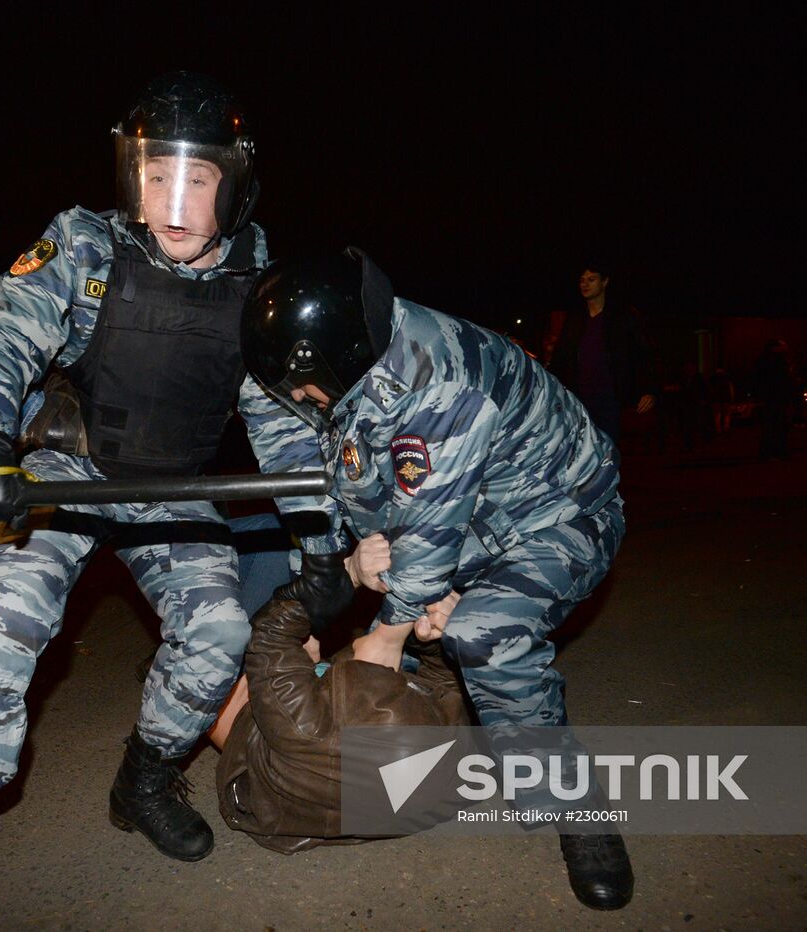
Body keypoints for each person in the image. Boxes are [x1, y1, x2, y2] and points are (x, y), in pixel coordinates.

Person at [0, 74, 350, 931]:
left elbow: (283, 425)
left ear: (236, 184)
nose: (172, 204)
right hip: (64, 477)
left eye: (197, 179)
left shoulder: (258, 287)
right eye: (154, 175)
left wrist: (319, 541)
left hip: (168, 493)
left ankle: (142, 781)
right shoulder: (85, 246)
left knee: (217, 635)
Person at [240, 248, 634, 910]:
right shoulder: (307, 364)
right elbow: (307, 465)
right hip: (462, 515)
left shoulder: (439, 380)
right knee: (415, 602)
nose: (301, 400)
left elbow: (427, 524)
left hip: (556, 514)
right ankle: (445, 727)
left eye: (307, 388)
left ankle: (577, 805)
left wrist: (388, 633)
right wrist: (333, 565)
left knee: (484, 630)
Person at [215, 595, 469, 854]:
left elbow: (269, 632)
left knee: (222, 662)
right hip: (340, 789)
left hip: (258, 769)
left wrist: (346, 575)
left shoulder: (307, 726)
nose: (359, 637)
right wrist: (429, 642)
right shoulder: (443, 742)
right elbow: (444, 686)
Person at [548, 261, 656, 443]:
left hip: (611, 400)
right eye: (582, 280)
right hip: (579, 400)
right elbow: (561, 359)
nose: (585, 284)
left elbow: (643, 354)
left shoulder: (622, 317)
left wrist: (649, 390)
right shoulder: (575, 320)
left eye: (591, 279)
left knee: (608, 451)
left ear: (604, 282)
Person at [753, 338, 796, 460]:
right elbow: (768, 381)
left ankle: (777, 451)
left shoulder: (775, 362)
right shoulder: (771, 362)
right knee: (773, 426)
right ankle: (772, 452)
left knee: (778, 426)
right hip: (774, 398)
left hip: (777, 398)